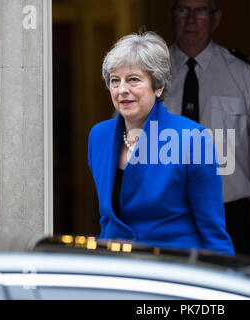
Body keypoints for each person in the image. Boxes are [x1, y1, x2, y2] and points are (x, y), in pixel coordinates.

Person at [88, 31, 234, 256]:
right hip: (117, 271)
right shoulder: (99, 136)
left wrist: (225, 282)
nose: (122, 89)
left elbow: (212, 232)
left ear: (158, 87)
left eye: (134, 79)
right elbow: (107, 219)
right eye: (115, 81)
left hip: (171, 275)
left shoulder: (192, 139)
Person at [164, 0, 250, 255]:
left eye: (200, 11)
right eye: (183, 10)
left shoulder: (244, 75)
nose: (190, 20)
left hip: (229, 217)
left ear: (216, 19)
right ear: (172, 15)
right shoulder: (147, 74)